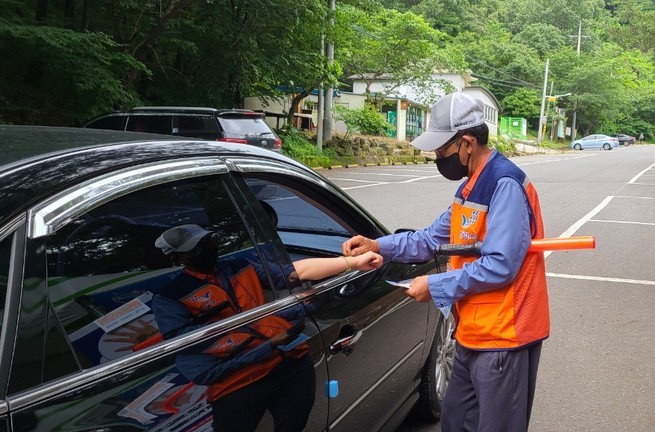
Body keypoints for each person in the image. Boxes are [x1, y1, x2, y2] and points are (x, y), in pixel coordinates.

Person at [342, 92, 550, 432]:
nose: (438, 158)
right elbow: (428, 240)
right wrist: (377, 244)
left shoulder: (504, 185)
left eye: (442, 151)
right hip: (471, 331)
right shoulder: (470, 188)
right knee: (456, 421)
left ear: (467, 143)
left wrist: (434, 285)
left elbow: (501, 264)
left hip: (504, 336)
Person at [153, 224, 382, 432]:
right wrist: (269, 344)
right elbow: (187, 344)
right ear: (177, 259)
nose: (206, 249)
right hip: (237, 381)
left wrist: (348, 264)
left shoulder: (239, 267)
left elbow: (290, 275)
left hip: (288, 361)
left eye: (207, 242)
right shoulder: (171, 296)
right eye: (195, 249)